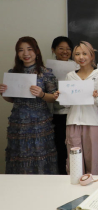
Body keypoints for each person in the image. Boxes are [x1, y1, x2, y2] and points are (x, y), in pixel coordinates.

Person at [0, 36, 58, 174]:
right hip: (18, 123)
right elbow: (13, 99)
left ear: (36, 51)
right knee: (19, 157)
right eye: (21, 50)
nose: (25, 53)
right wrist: (3, 93)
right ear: (17, 53)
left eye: (29, 49)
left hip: (40, 124)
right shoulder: (13, 73)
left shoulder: (45, 72)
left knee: (41, 156)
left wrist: (42, 94)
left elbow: (54, 97)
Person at [53, 41, 98, 175]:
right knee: (74, 161)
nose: (81, 57)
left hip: (93, 122)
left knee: (93, 159)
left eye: (84, 53)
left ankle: (94, 190)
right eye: (77, 54)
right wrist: (61, 97)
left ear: (92, 56)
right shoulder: (70, 76)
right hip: (73, 121)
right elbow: (67, 105)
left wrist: (96, 97)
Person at [51, 36, 74, 174]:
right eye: (61, 48)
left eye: (68, 49)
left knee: (73, 148)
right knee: (59, 146)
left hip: (73, 113)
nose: (65, 51)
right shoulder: (48, 68)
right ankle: (61, 174)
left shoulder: (78, 65)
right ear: (53, 50)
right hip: (56, 114)